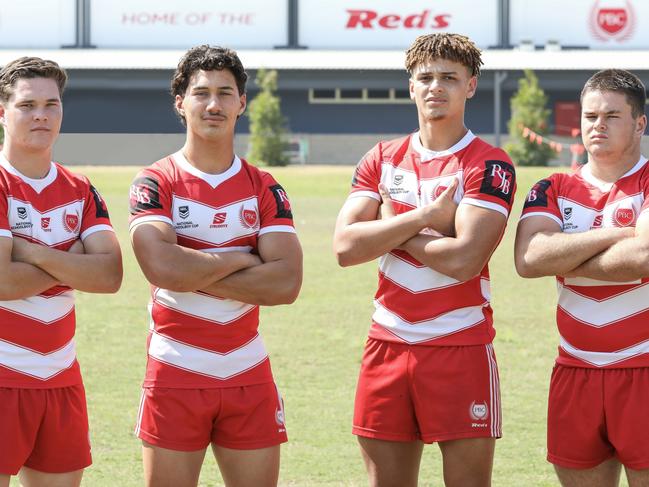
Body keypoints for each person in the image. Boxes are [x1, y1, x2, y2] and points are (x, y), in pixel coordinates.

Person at [333, 33, 516, 486]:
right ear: (411, 86)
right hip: (388, 342)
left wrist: (395, 228)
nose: (436, 87)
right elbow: (345, 247)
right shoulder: (381, 157)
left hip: (460, 344)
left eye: (449, 78)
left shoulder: (488, 164)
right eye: (426, 78)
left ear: (470, 86)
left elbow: (464, 259)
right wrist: (430, 217)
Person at [129, 45, 302, 487]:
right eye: (201, 92)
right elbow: (163, 269)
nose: (213, 104)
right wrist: (239, 258)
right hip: (175, 369)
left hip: (248, 369)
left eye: (225, 93)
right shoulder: (156, 181)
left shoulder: (264, 186)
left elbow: (285, 282)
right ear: (180, 102)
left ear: (242, 103)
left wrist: (195, 267)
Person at [515, 69, 649, 487]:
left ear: (640, 123)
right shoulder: (552, 186)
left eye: (612, 116)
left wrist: (566, 253)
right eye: (590, 117)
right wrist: (619, 234)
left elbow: (644, 257)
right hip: (576, 369)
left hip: (643, 367)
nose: (598, 125)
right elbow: (529, 258)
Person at [0, 57, 123, 487]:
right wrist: (72, 261)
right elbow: (3, 282)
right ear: (2, 111)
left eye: (51, 104)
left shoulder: (80, 188)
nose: (41, 115)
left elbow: (109, 276)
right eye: (27, 104)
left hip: (60, 377)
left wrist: (28, 251)